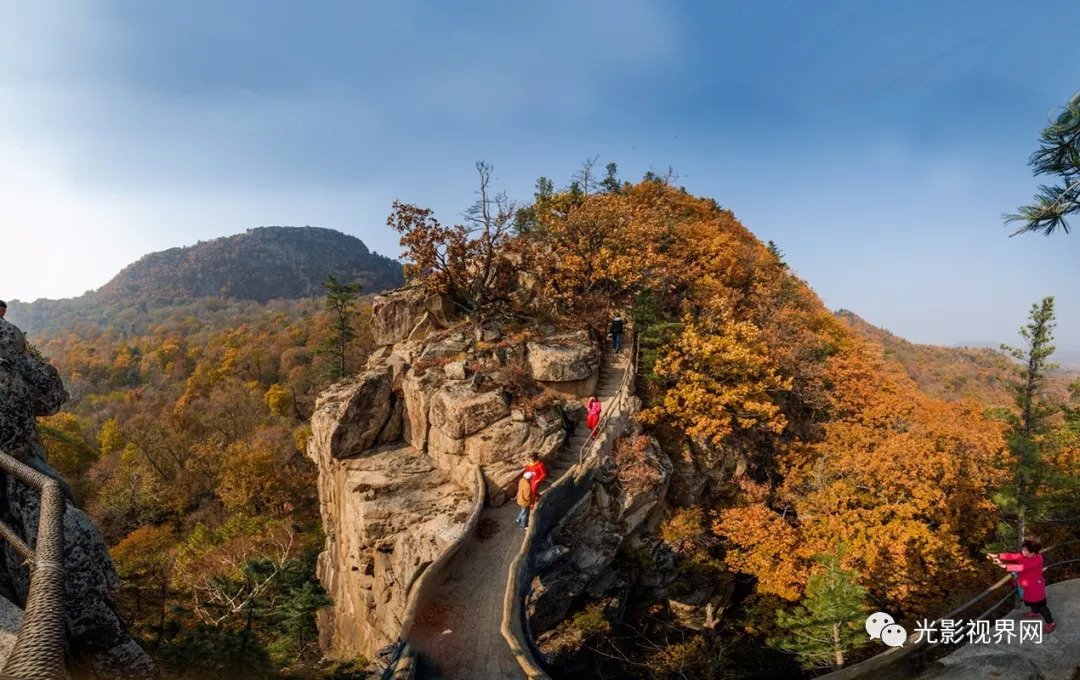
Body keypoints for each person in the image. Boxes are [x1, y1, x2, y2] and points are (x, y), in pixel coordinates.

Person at [988, 540, 1055, 632]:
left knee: (1041, 606)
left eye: (1025, 550)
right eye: (1023, 549)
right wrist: (997, 555)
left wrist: (1002, 564)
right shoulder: (1024, 556)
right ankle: (1035, 612)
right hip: (1027, 586)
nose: (1022, 551)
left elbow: (1020, 567)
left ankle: (1050, 623)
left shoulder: (1036, 560)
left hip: (1035, 587)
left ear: (1032, 552)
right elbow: (1012, 556)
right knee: (1030, 602)